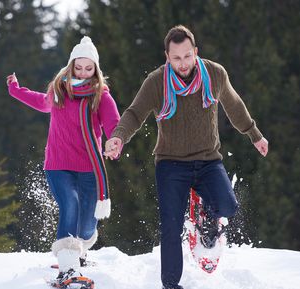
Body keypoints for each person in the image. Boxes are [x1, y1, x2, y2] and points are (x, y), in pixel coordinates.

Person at [104, 25, 268, 289]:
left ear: (196, 52)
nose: (183, 63)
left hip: (208, 161)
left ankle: (204, 214)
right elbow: (135, 113)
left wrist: (255, 135)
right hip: (171, 165)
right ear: (167, 57)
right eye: (176, 58)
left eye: (188, 56)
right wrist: (118, 137)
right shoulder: (156, 82)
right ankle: (171, 285)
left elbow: (234, 105)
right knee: (170, 227)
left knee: (228, 207)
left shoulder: (215, 74)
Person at [6, 36, 120, 286]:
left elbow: (114, 125)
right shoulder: (58, 92)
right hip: (58, 165)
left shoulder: (100, 96)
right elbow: (39, 101)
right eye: (78, 67)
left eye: (88, 68)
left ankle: (78, 250)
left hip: (89, 167)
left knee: (88, 223)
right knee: (70, 204)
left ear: (96, 70)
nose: (82, 72)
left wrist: (114, 143)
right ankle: (68, 269)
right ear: (70, 66)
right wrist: (16, 90)